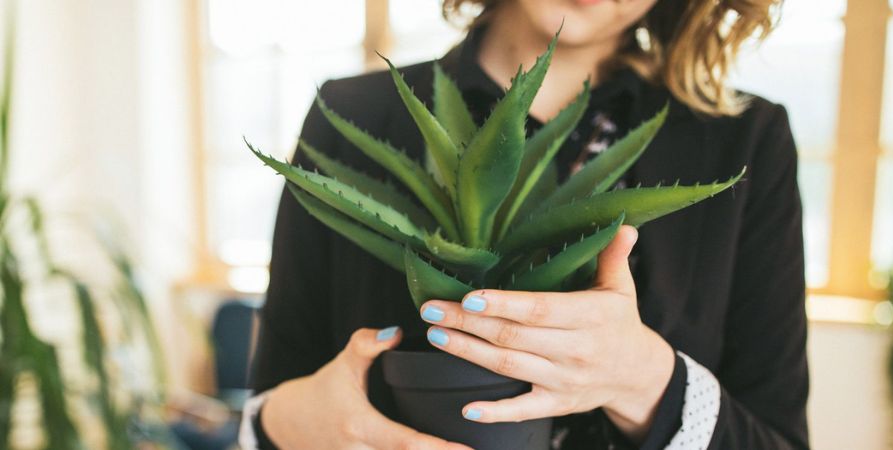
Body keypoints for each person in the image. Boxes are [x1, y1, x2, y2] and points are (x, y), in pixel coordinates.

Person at [240, 0, 809, 449]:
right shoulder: (355, 116)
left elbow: (779, 439)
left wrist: (642, 378)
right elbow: (267, 408)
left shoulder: (742, 141)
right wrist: (296, 425)